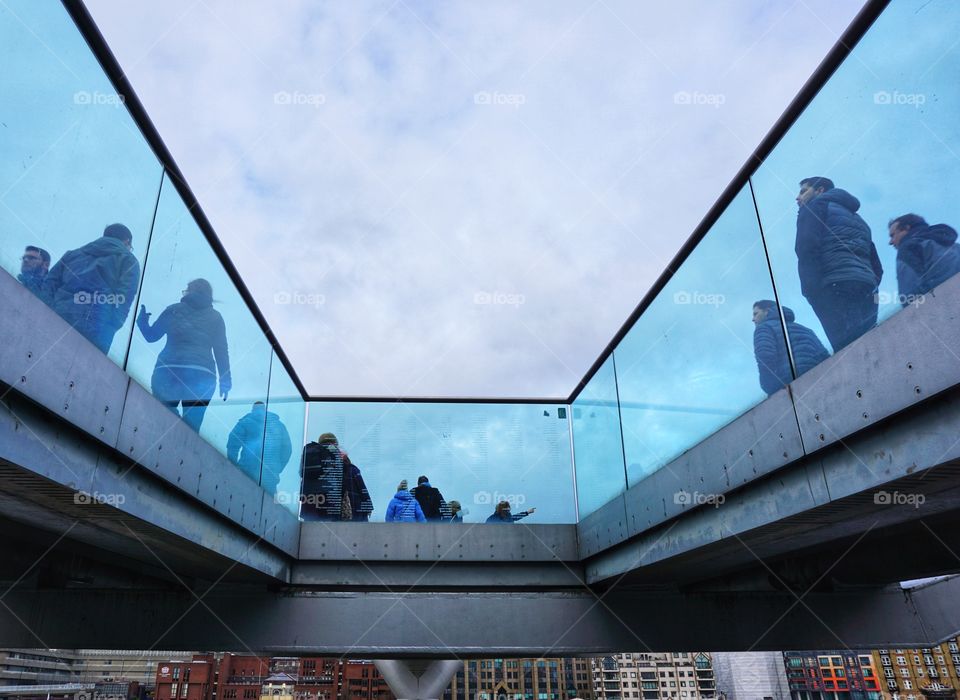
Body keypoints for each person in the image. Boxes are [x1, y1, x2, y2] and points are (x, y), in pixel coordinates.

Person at [794, 177, 882, 352]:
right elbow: (876, 264)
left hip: (833, 286)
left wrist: (811, 290)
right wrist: (870, 281)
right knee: (871, 346)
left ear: (819, 190)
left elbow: (806, 248)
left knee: (846, 352)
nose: (798, 197)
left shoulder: (814, 207)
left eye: (803, 191)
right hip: (867, 286)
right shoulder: (859, 219)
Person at [136, 278, 230, 432]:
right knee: (190, 432)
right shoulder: (216, 317)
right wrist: (225, 380)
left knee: (160, 421)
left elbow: (151, 336)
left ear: (190, 291)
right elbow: (221, 352)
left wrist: (142, 322)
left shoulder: (174, 309)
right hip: (202, 375)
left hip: (168, 370)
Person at [41, 223, 140, 353]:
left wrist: (51, 308)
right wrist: (112, 325)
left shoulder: (72, 254)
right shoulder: (128, 260)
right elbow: (125, 297)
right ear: (127, 241)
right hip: (97, 324)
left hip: (59, 312)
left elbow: (49, 284)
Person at [752, 300, 830, 395]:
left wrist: (770, 388)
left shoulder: (764, 328)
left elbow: (765, 356)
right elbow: (825, 356)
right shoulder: (806, 330)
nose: (753, 319)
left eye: (755, 314)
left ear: (767, 311)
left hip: (790, 384)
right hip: (819, 379)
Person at [888, 213, 960, 305]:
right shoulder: (954, 246)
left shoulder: (908, 248)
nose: (891, 242)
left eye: (892, 235)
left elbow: (910, 296)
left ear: (906, 228)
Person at [226, 401, 292, 494]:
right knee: (266, 505)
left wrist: (233, 464)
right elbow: (287, 450)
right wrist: (276, 468)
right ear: (265, 410)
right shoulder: (280, 426)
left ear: (253, 409)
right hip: (270, 476)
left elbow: (232, 444)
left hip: (247, 470)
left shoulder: (246, 422)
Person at [299, 433, 345, 521]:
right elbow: (339, 473)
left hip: (308, 493)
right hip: (328, 493)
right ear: (334, 441)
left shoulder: (310, 450)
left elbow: (301, 472)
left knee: (309, 524)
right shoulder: (333, 450)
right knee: (328, 524)